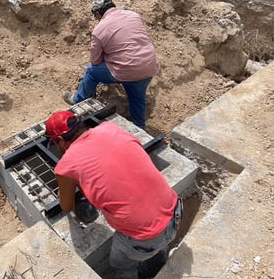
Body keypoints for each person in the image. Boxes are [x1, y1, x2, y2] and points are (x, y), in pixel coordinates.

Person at [45, 110, 182, 278]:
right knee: (156, 249)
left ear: (59, 140)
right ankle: (155, 270)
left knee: (121, 266)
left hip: (143, 239)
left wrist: (70, 183)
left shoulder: (66, 165)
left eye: (55, 143)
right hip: (175, 213)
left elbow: (66, 206)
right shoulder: (109, 128)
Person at [63, 0, 160, 130]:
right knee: (137, 98)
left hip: (125, 70)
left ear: (98, 13)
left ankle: (78, 100)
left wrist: (108, 56)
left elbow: (95, 60)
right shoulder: (134, 15)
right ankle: (139, 127)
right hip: (149, 66)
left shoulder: (99, 29)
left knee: (92, 71)